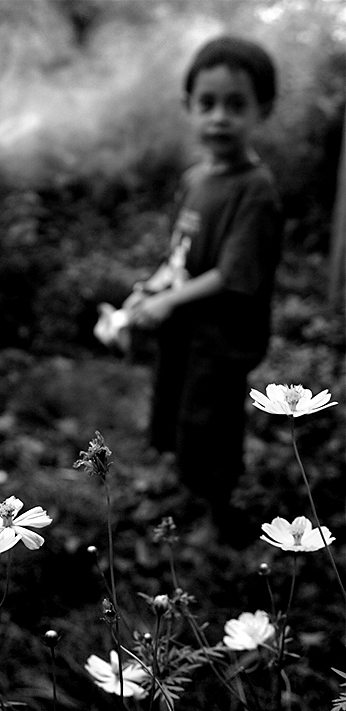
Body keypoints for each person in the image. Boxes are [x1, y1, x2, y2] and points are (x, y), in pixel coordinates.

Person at [122, 36, 284, 542]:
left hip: (221, 339)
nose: (219, 117)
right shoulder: (195, 180)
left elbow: (231, 276)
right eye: (207, 103)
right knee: (173, 408)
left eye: (236, 105)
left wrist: (166, 300)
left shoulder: (254, 190)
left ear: (264, 110)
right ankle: (184, 494)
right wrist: (149, 290)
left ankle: (218, 516)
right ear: (187, 107)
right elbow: (181, 258)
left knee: (209, 424)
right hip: (183, 332)